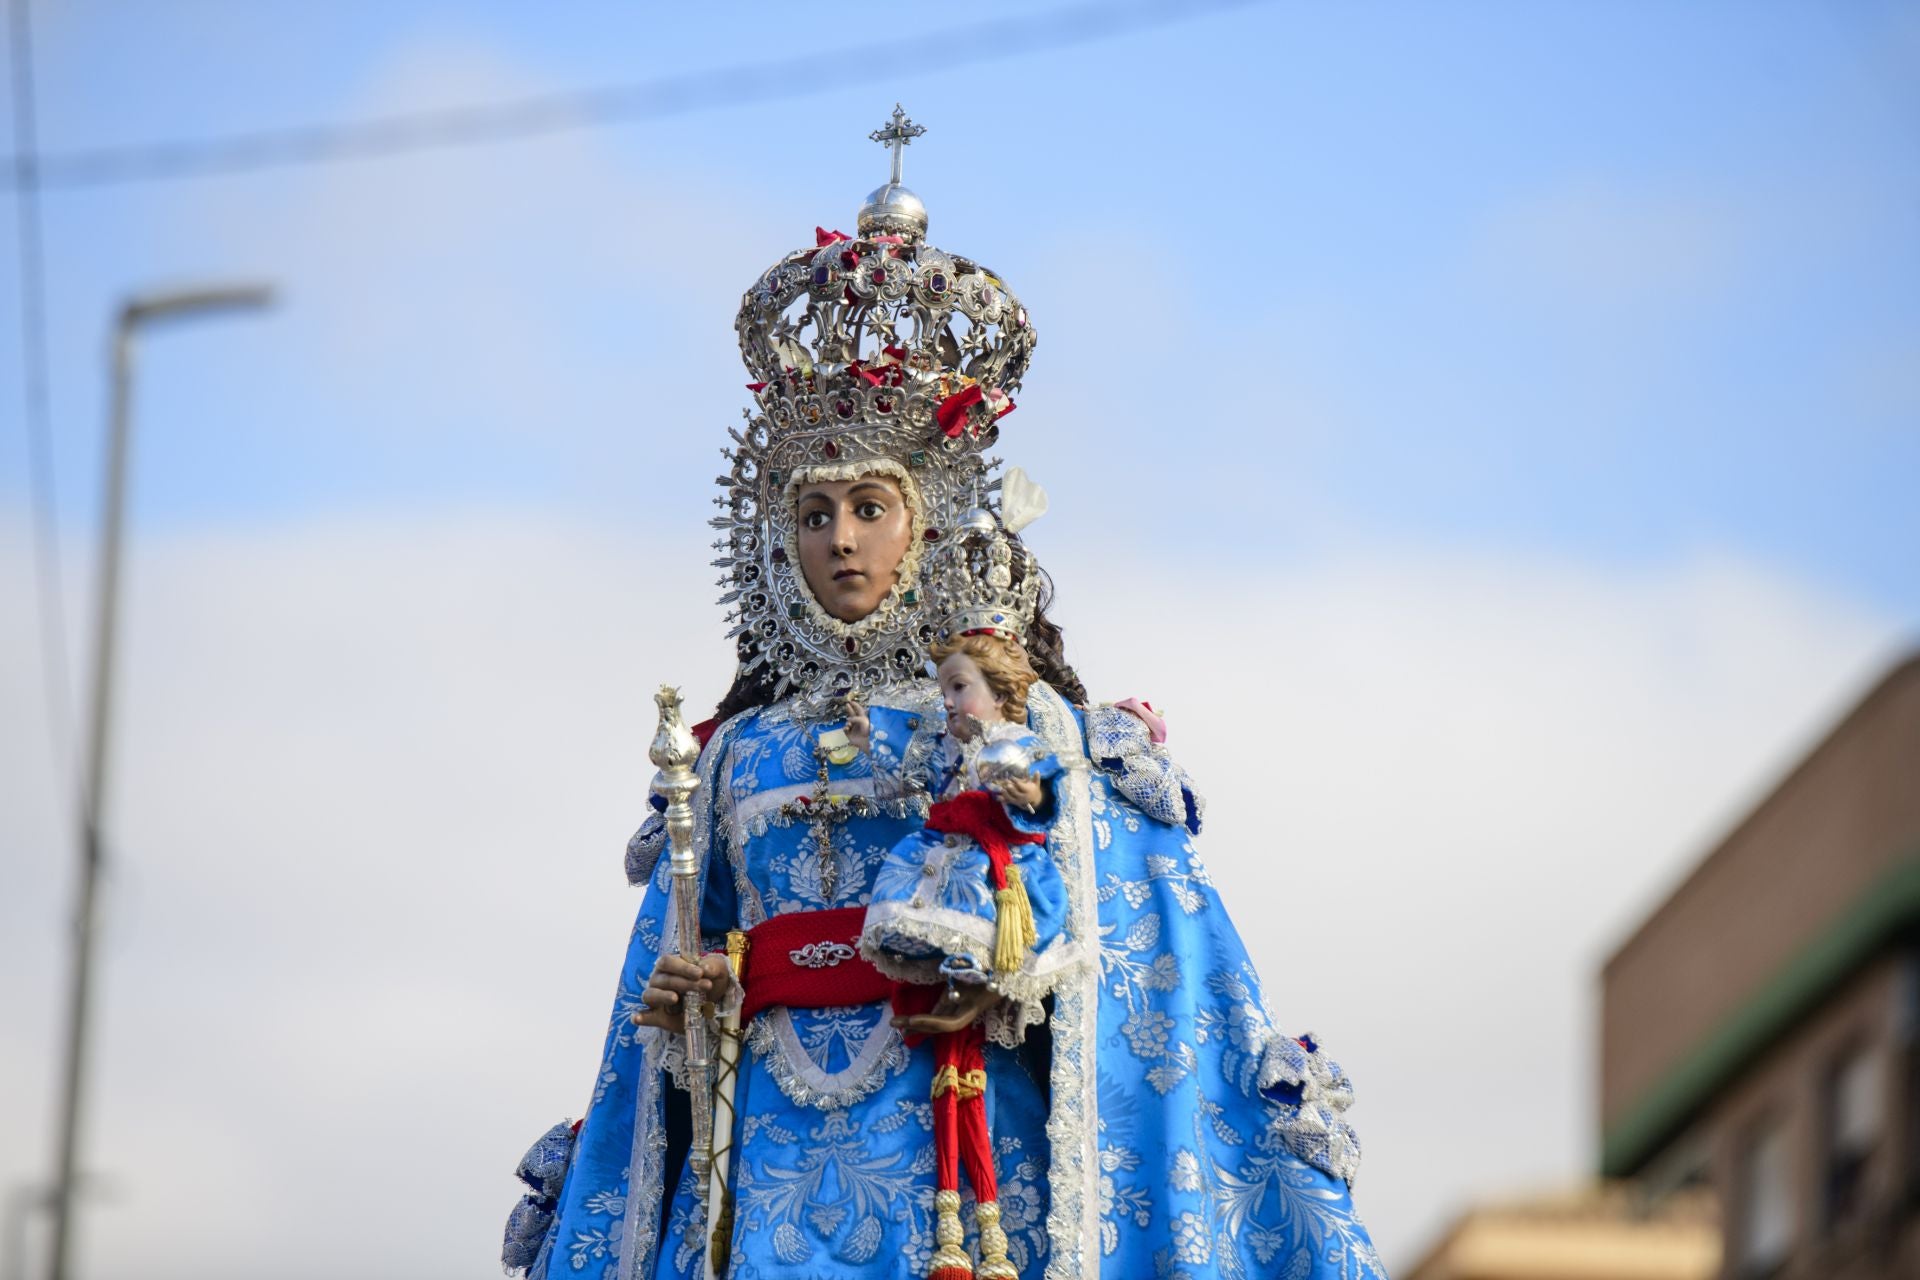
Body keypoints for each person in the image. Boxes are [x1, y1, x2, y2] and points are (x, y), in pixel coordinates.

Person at [502, 111, 1385, 1280]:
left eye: (868, 506)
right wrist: (688, 992)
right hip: (761, 1165)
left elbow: (1103, 920)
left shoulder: (1000, 728)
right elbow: (682, 973)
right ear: (774, 539)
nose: (840, 541)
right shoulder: (733, 757)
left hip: (953, 1163)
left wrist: (999, 959)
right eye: (812, 515)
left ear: (927, 518)